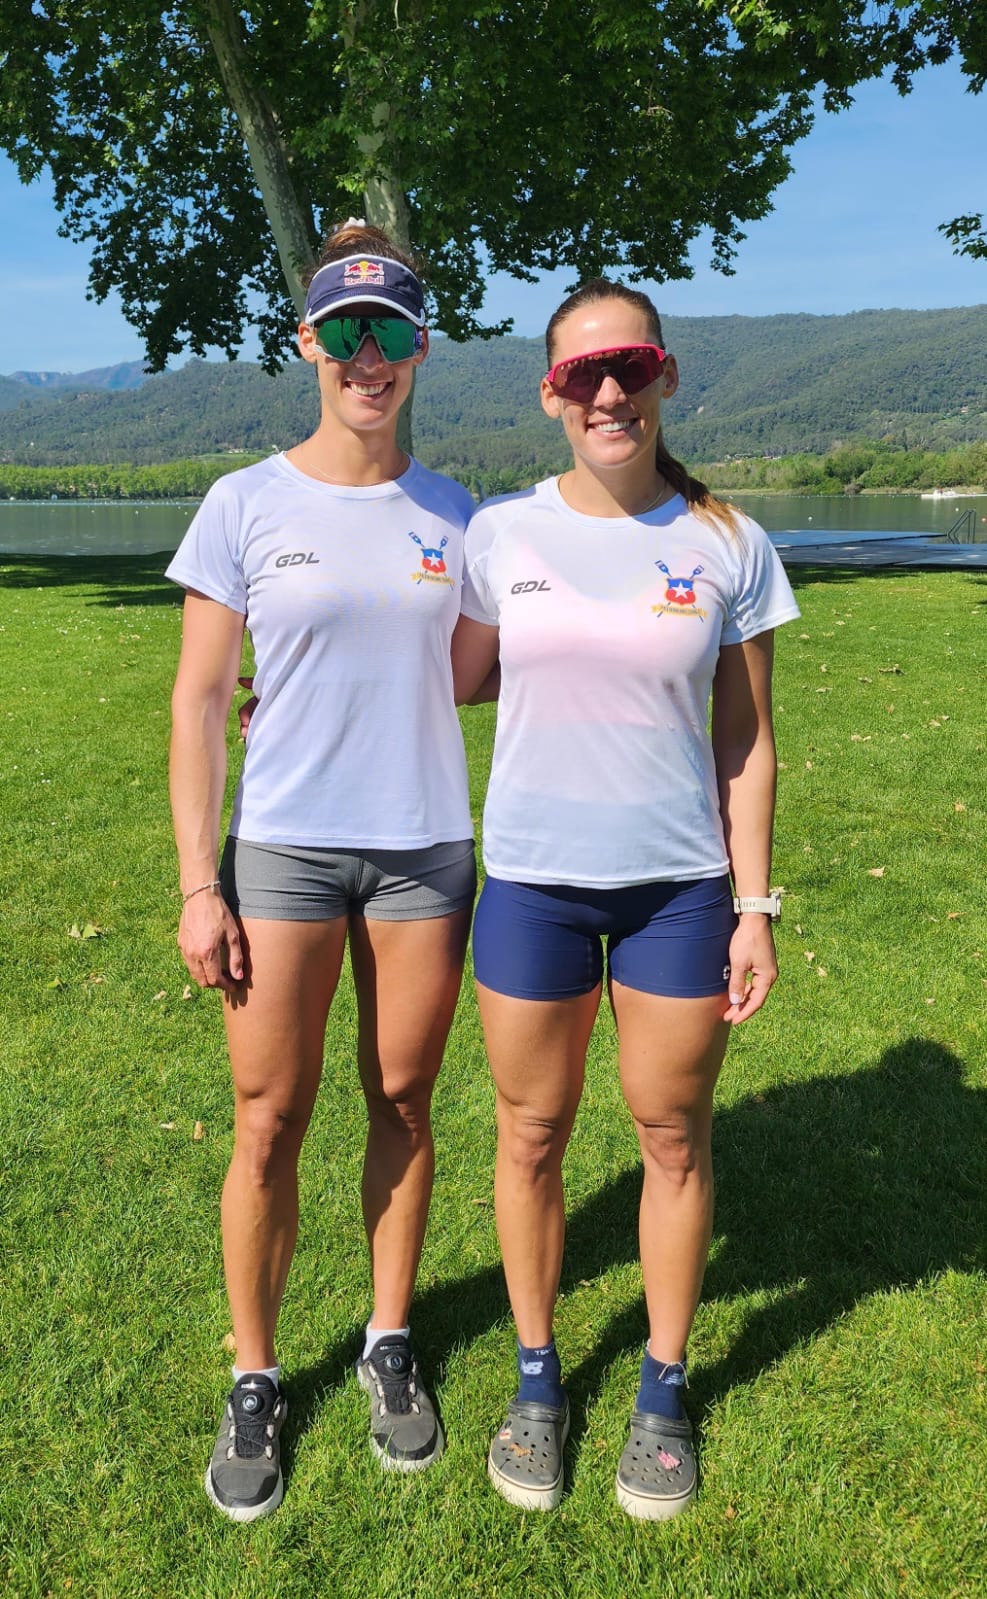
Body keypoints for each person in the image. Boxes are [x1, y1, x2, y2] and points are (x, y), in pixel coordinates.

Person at [451, 278, 800, 1520]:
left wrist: (755, 904)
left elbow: (746, 739)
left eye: (631, 367)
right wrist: (300, 692)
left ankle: (662, 1387)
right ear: (551, 394)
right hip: (532, 884)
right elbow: (453, 680)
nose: (608, 391)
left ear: (666, 377)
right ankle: (537, 1379)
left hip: (679, 894)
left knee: (672, 1134)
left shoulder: (729, 542)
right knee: (530, 1134)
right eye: (581, 374)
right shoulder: (500, 534)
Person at [167, 221, 477, 1521]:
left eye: (388, 331)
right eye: (343, 331)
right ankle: (255, 1372)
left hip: (422, 849)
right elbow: (198, 701)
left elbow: (480, 667)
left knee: (402, 1096)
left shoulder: (460, 512)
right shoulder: (244, 503)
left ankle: (387, 1341)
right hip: (283, 849)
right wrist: (200, 882)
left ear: (418, 348)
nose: (366, 356)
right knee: (267, 1116)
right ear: (307, 343)